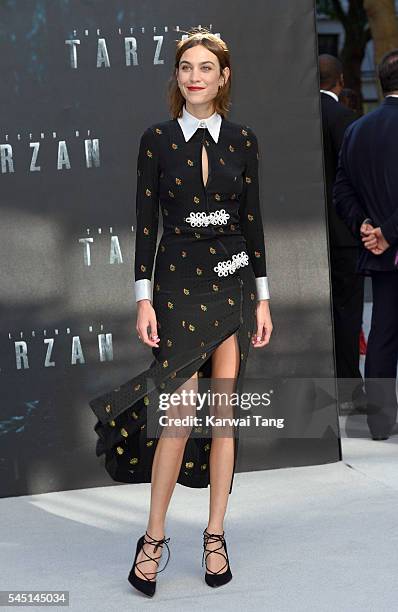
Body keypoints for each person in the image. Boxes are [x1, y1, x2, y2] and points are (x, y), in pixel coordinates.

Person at [88, 28, 273, 596]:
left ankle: (215, 536)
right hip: (175, 288)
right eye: (185, 67)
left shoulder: (242, 140)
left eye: (205, 68)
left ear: (223, 78)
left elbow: (253, 221)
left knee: (222, 420)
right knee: (176, 417)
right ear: (178, 77)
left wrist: (262, 296)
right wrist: (141, 296)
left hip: (232, 283)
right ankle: (154, 538)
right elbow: (146, 225)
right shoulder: (157, 140)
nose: (194, 76)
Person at [333, 49, 398, 441]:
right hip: (386, 243)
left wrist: (368, 228)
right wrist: (386, 232)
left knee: (383, 336)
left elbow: (342, 190)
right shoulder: (356, 128)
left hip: (380, 253)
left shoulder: (358, 129)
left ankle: (379, 423)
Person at [319, 54, 364, 410]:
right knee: (347, 314)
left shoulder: (295, 116)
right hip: (344, 234)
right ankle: (350, 391)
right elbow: (354, 179)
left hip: (302, 237)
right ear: (339, 80)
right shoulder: (343, 118)